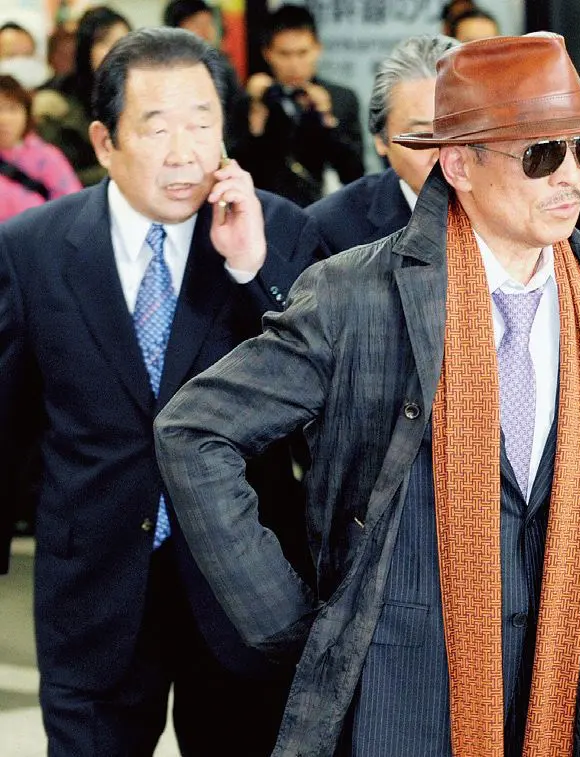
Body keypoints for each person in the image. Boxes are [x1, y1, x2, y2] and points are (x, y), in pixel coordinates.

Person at [155, 32, 580, 756]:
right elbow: (195, 431)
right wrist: (288, 622)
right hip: (401, 694)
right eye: (539, 155)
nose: (571, 177)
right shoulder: (355, 293)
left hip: (571, 678)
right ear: (458, 164)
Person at [0, 27, 322, 755]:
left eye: (203, 125)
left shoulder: (280, 231)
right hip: (93, 592)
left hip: (243, 596)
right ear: (105, 141)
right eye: (157, 127)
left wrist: (252, 272)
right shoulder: (32, 250)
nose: (185, 153)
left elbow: (323, 403)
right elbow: (9, 425)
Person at [307, 34, 456, 254]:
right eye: (423, 135)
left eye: (458, 130)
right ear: (381, 140)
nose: (446, 152)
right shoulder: (329, 229)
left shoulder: (510, 208)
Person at [234, 3, 363, 206]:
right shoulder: (250, 99)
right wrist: (256, 118)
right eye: (284, 54)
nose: (294, 64)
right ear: (267, 53)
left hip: (320, 208)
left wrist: (327, 118)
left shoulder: (341, 98)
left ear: (317, 49)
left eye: (302, 53)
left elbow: (354, 174)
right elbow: (235, 169)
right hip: (263, 209)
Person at [33, 6, 130, 186]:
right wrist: (123, 170)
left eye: (123, 43)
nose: (116, 51)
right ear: (86, 49)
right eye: (104, 42)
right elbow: (59, 177)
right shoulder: (56, 104)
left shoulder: (139, 96)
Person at [163, 0, 247, 147]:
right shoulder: (161, 70)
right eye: (197, 25)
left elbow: (236, 112)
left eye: (209, 23)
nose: (206, 32)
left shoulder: (222, 65)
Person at [0, 74, 80, 221]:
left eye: (12, 109)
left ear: (26, 113)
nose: (3, 119)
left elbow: (72, 208)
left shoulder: (47, 157)